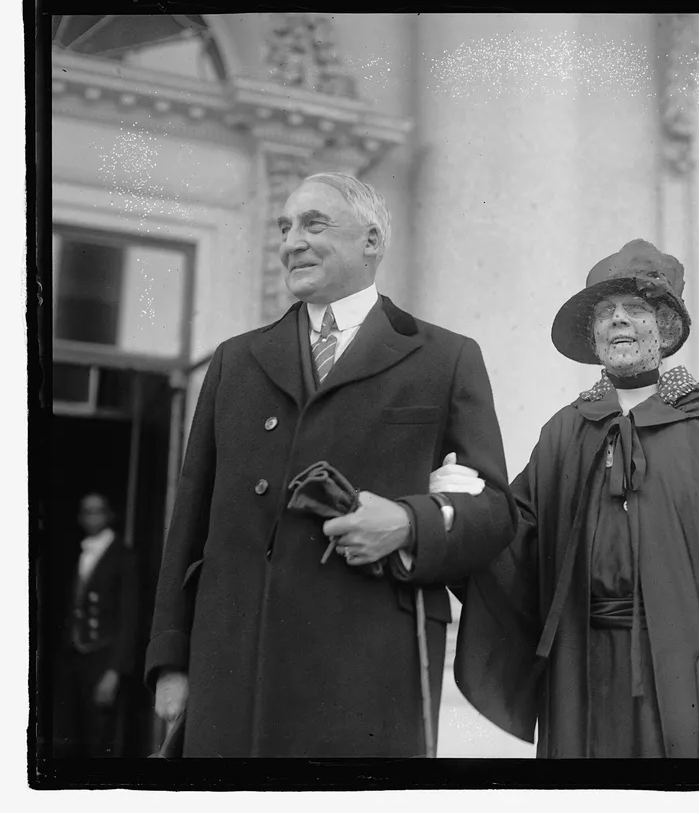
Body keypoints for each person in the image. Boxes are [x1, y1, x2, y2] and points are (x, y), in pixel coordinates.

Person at [146, 172, 516, 757]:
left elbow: (494, 511)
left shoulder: (445, 357)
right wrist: (170, 660)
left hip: (370, 661)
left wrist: (409, 521)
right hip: (236, 659)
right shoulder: (236, 361)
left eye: (314, 224)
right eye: (285, 227)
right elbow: (189, 520)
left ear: (371, 241)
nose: (292, 240)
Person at [449, 239, 699, 758]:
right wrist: (465, 513)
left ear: (663, 328)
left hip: (682, 670)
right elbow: (513, 541)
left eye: (634, 310)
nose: (618, 321)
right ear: (593, 336)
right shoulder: (564, 433)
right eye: (605, 314)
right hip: (581, 672)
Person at [53, 493, 137, 758]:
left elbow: (130, 618)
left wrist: (114, 671)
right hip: (74, 659)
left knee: (100, 741)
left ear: (110, 514)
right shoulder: (76, 552)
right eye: (86, 511)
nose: (92, 517)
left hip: (104, 659)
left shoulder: (124, 557)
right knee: (69, 738)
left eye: (98, 510)